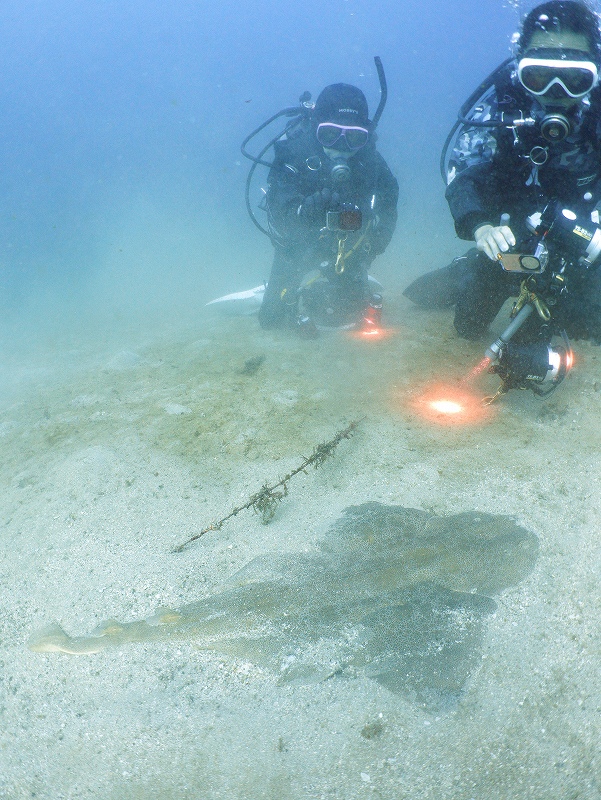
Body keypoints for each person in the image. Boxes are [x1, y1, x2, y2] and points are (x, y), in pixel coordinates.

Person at [405, 0, 601, 344]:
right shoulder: (502, 104)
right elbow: (464, 170)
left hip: (584, 240)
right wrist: (480, 226)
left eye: (575, 78)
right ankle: (464, 270)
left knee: (587, 328)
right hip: (507, 237)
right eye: (539, 75)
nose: (557, 92)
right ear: (520, 65)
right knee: (468, 327)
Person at [258, 83, 399, 334]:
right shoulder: (294, 152)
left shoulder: (369, 160)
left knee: (350, 316)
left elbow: (389, 199)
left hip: (347, 250)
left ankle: (344, 281)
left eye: (354, 137)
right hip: (297, 248)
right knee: (272, 320)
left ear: (365, 135)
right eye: (330, 135)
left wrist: (375, 245)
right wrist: (303, 212)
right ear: (315, 129)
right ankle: (270, 288)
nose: (341, 147)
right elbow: (277, 211)